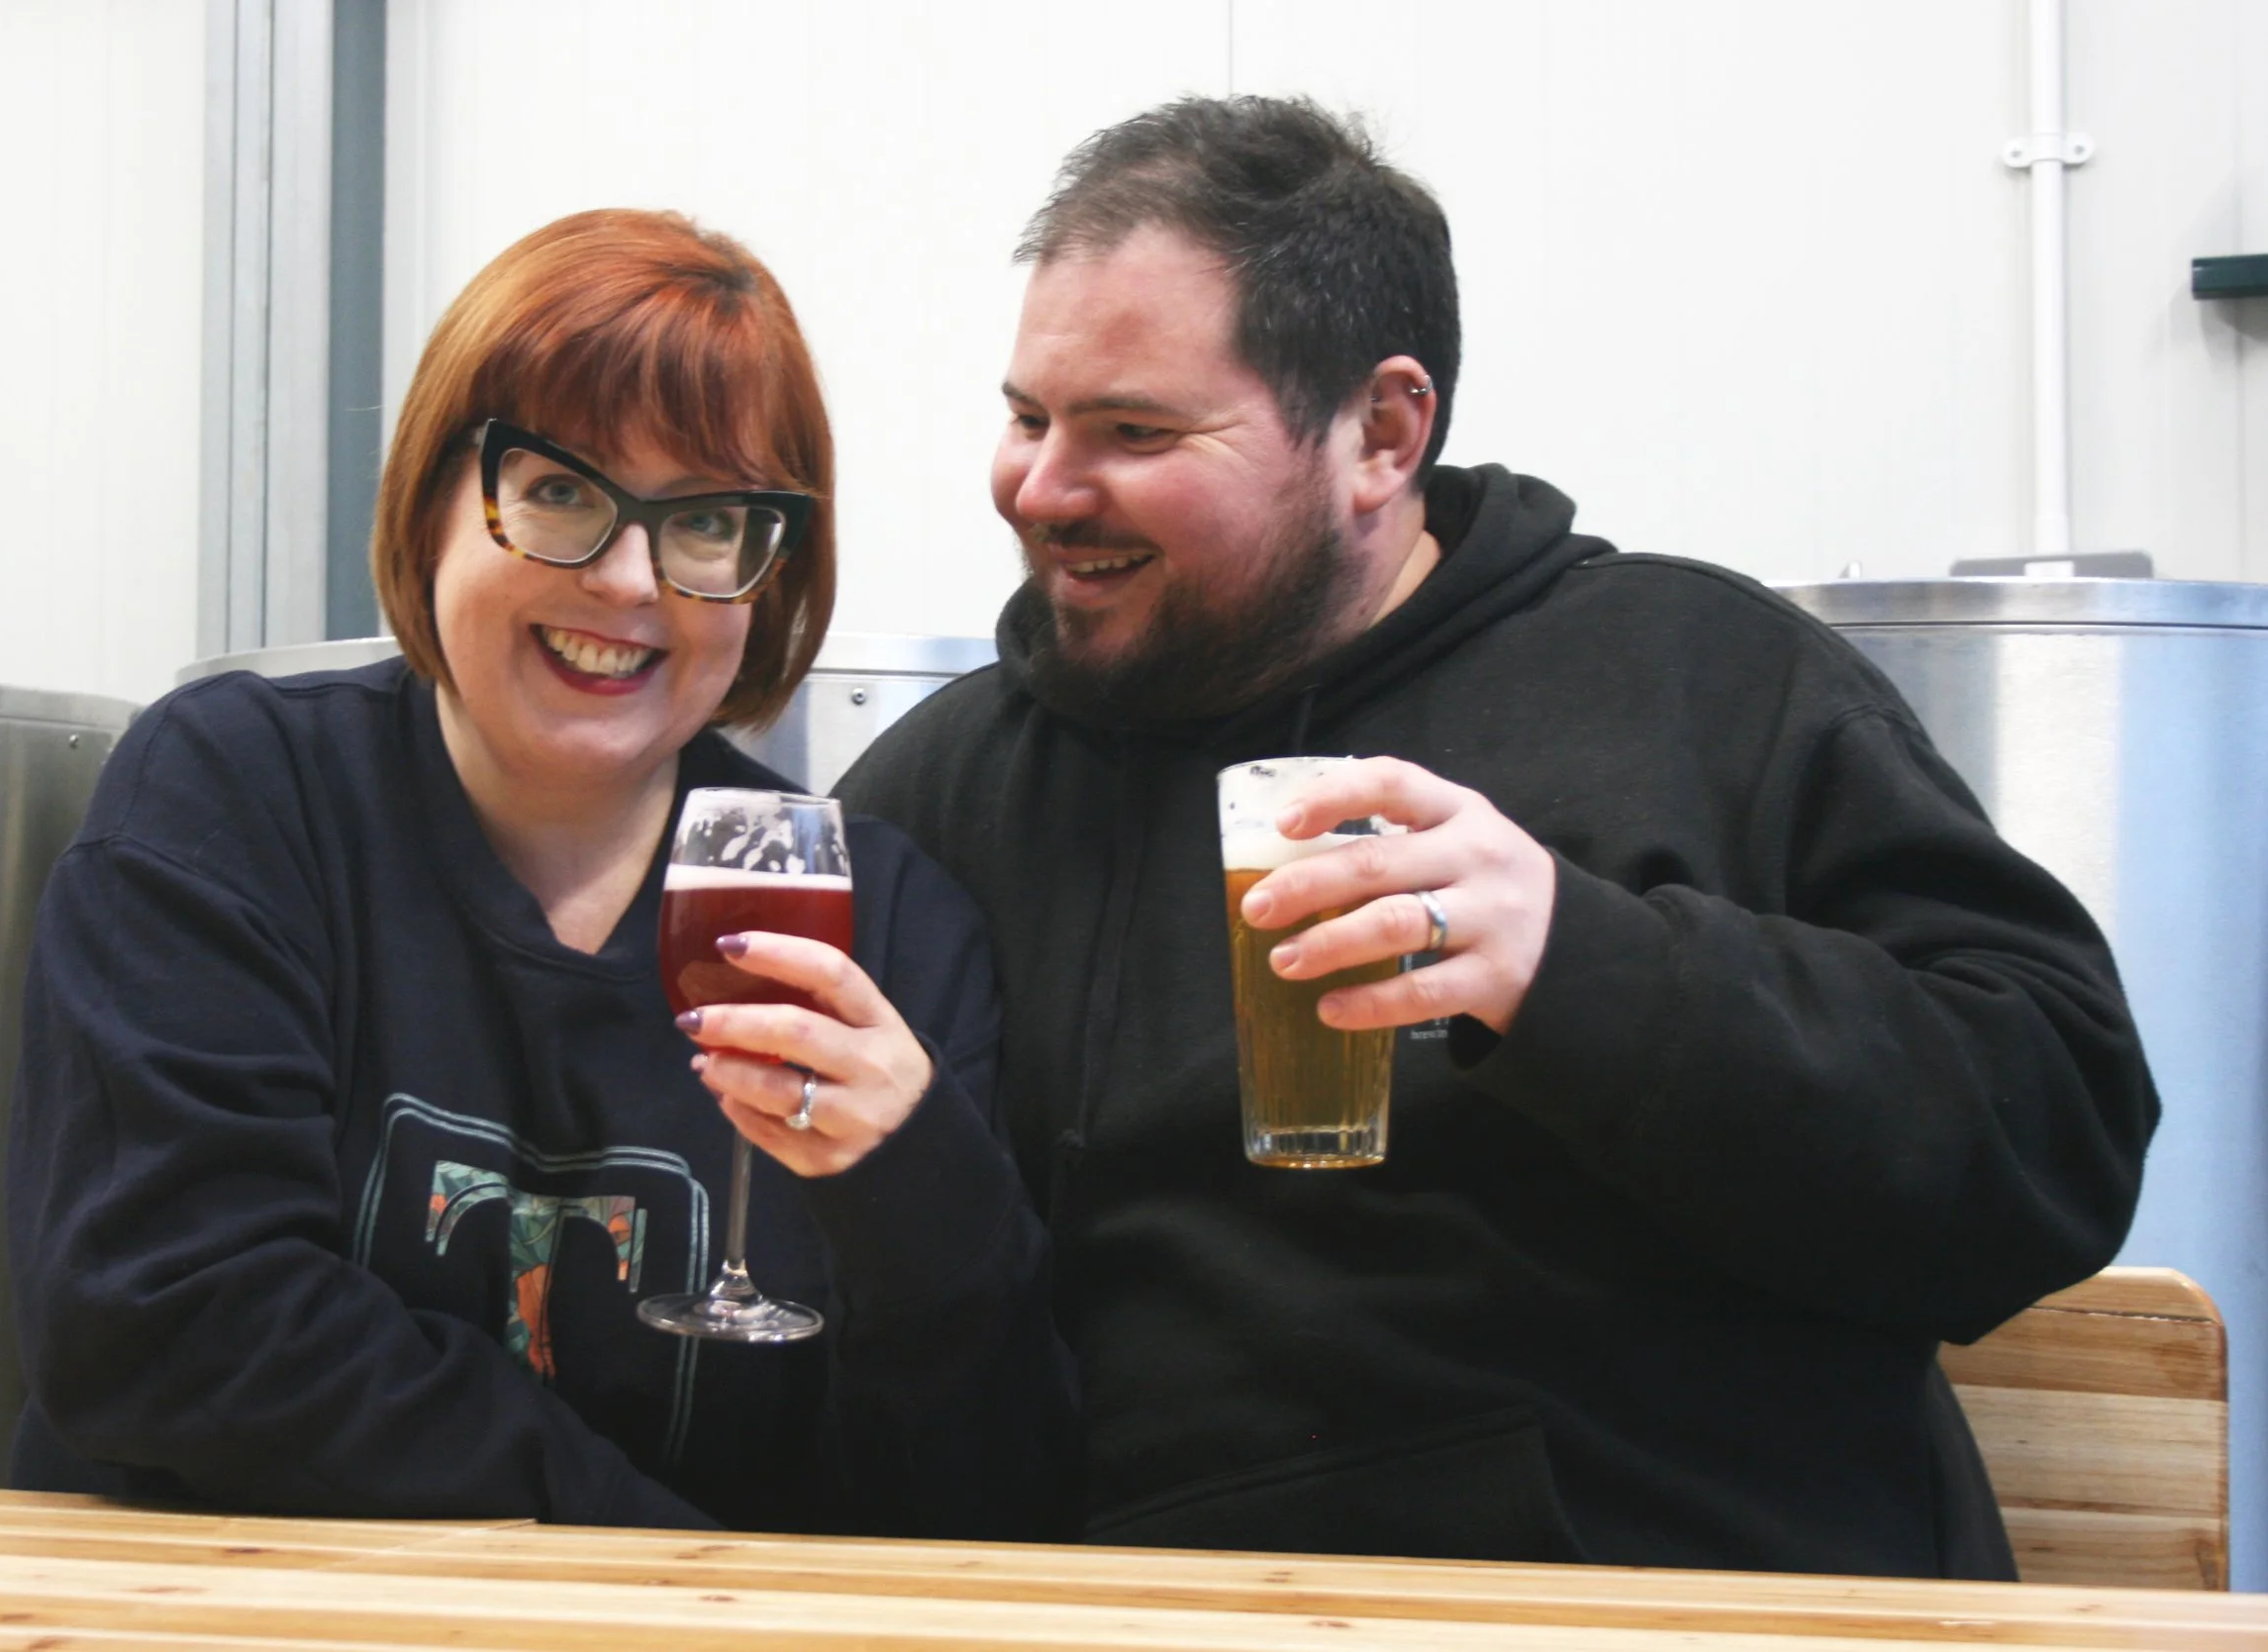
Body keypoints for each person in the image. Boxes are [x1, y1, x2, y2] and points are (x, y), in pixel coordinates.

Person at [837, 97, 2156, 1577]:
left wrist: (1577, 962)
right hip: (1156, 1604)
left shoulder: (1695, 680)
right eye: (1029, 418)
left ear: (1383, 433)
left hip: (1687, 1601)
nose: (1042, 488)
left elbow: (2057, 1144)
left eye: (1133, 432)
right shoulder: (948, 790)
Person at [6, 209, 1075, 1538]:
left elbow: (983, 1502)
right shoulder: (237, 794)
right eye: (561, 491)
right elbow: (163, 1319)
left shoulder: (889, 922)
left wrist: (921, 1196)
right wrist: (636, 1565)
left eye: (705, 523)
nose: (630, 580)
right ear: (435, 501)